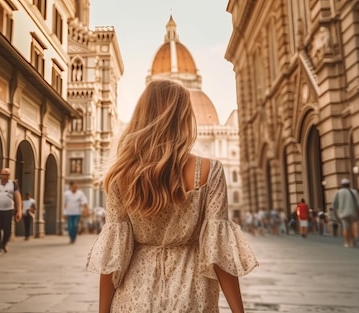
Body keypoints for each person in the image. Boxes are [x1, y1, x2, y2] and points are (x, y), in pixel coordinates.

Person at [86, 80, 257, 312]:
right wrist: (239, 311)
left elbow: (114, 257)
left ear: (142, 117)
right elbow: (218, 252)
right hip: (192, 296)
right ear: (184, 117)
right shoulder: (209, 170)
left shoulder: (121, 176)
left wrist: (103, 311)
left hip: (134, 299)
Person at [0, 168, 22, 256]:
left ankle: (3, 244)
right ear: (0, 175)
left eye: (7, 175)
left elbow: (17, 197)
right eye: (3, 174)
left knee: (8, 230)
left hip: (8, 210)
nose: (5, 176)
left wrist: (19, 210)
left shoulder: (13, 184)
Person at [331, 178, 359, 247]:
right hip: (353, 212)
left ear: (342, 185)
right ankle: (352, 240)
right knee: (352, 226)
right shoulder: (354, 192)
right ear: (349, 184)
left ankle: (346, 242)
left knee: (345, 227)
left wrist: (335, 214)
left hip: (343, 213)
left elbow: (334, 205)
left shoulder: (338, 192)